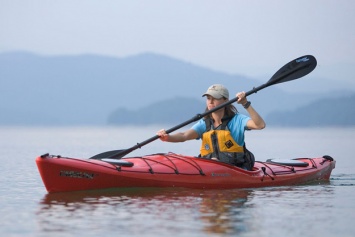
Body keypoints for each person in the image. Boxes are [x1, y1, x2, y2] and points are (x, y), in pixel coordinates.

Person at [157, 84, 266, 170]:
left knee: (214, 161)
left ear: (225, 101)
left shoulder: (237, 120)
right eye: (208, 98)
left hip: (236, 168)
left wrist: (245, 103)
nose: (211, 102)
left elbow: (260, 125)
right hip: (210, 168)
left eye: (215, 98)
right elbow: (184, 135)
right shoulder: (205, 123)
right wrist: (168, 137)